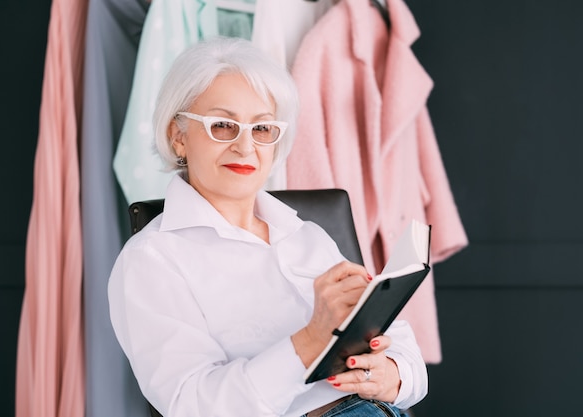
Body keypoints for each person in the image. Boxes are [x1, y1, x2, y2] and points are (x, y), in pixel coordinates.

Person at [108, 36, 427, 417]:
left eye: (262, 129)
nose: (245, 147)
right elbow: (192, 406)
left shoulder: (308, 235)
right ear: (178, 137)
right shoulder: (152, 260)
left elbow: (404, 346)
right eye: (222, 125)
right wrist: (309, 341)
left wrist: (393, 374)